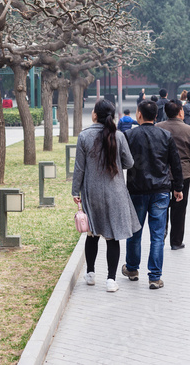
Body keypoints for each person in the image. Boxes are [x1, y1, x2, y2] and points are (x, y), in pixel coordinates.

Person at [72, 99, 141, 293]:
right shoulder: (118, 136)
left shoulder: (84, 136)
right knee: (113, 236)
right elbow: (129, 163)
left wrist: (74, 191)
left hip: (91, 192)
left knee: (92, 233)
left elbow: (79, 168)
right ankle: (111, 280)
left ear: (95, 114)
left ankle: (91, 274)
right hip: (115, 192)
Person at [122, 100, 183, 289]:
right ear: (156, 116)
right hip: (161, 191)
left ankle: (132, 269)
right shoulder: (166, 135)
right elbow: (175, 163)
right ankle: (155, 277)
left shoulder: (129, 135)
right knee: (157, 235)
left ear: (139, 114)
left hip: (136, 190)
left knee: (135, 232)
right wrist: (178, 188)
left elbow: (121, 162)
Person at [156, 100, 190, 250]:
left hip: (161, 173)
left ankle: (161, 236)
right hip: (183, 174)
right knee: (180, 209)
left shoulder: (158, 128)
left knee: (161, 207)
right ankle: (176, 241)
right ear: (180, 112)